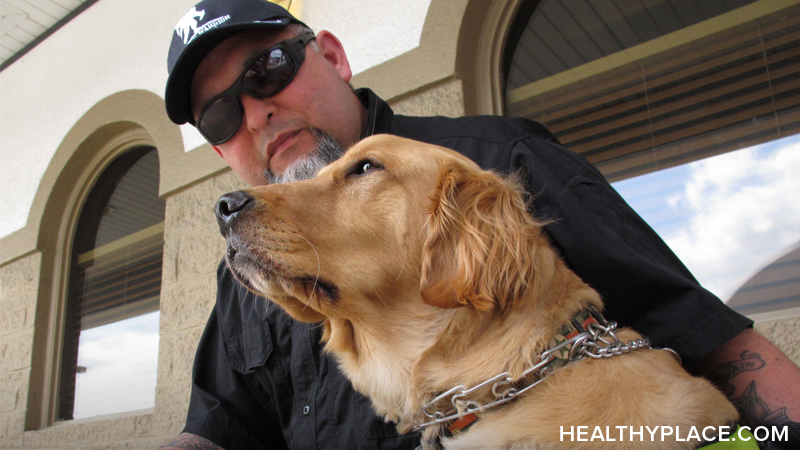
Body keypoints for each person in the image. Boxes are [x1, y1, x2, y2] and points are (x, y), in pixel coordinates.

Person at [161, 0, 800, 449]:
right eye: (218, 117)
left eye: (266, 70)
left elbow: (708, 337)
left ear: (330, 56)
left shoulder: (499, 163)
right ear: (220, 149)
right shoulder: (249, 257)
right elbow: (219, 429)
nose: (254, 114)